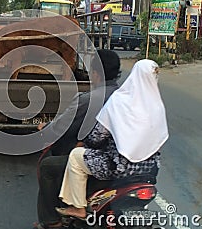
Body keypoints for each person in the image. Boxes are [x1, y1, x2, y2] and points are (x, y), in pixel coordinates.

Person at [55, 59, 169, 220]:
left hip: (118, 168)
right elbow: (159, 139)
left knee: (75, 156)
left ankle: (78, 207)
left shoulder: (120, 100)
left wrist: (85, 143)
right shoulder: (157, 106)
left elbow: (97, 137)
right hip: (149, 170)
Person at [34, 50, 121, 229]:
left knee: (48, 166)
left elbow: (61, 126)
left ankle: (52, 221)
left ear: (96, 74)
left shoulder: (88, 100)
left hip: (105, 160)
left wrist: (46, 129)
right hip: (132, 165)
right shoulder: (126, 97)